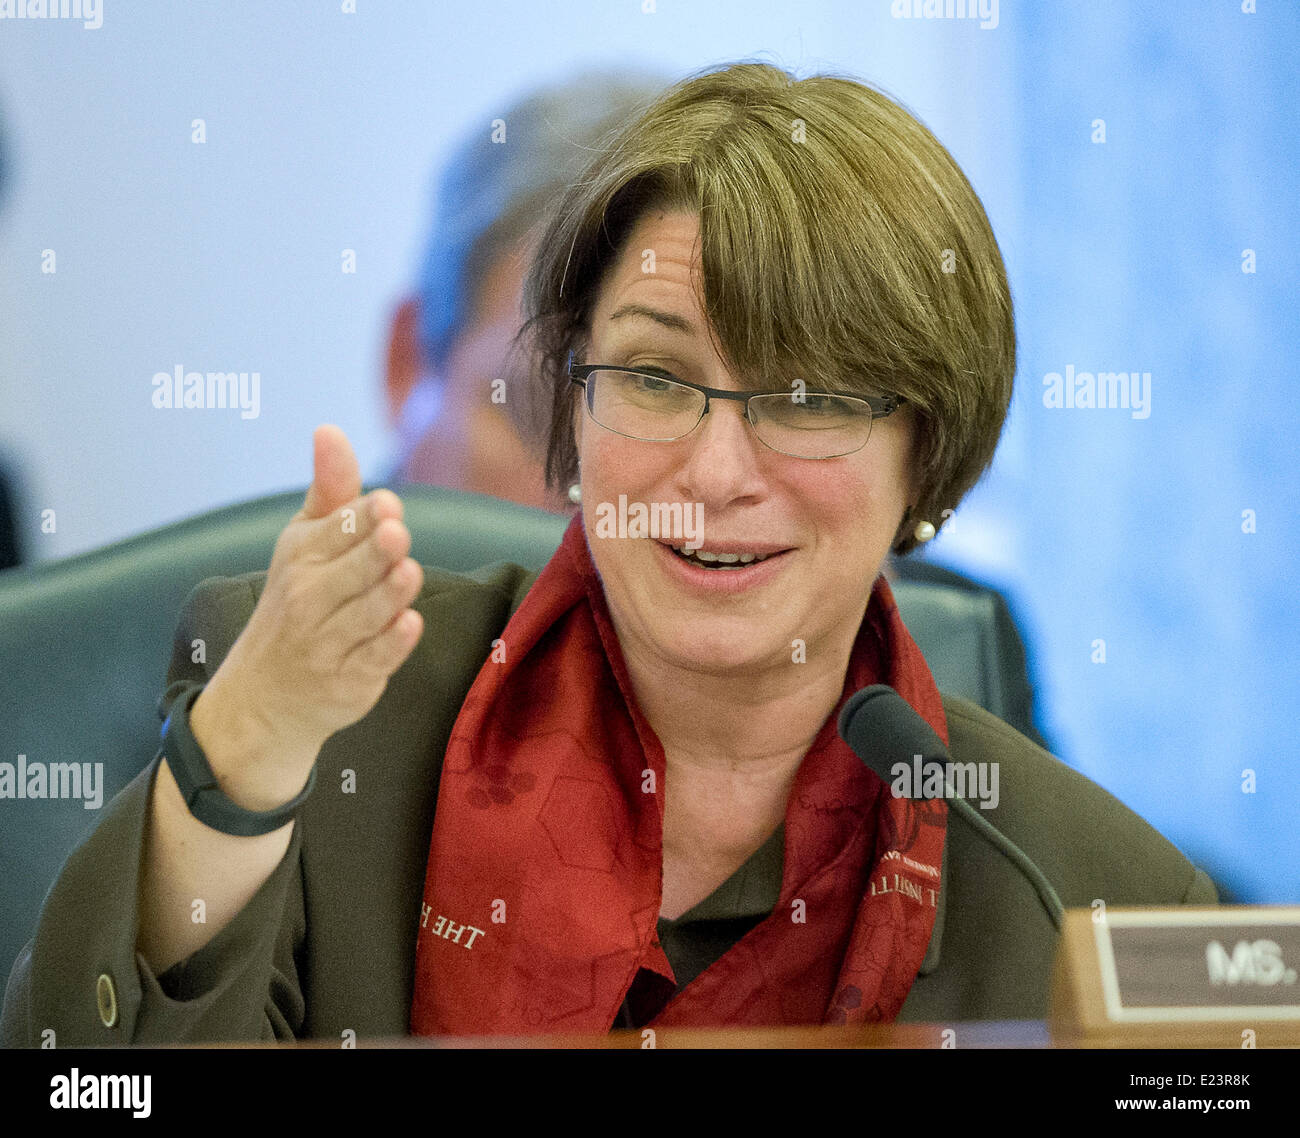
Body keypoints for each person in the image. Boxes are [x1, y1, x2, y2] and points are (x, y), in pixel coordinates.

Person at [1, 61, 1217, 1046]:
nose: (716, 469)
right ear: (569, 415)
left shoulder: (1097, 890)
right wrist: (239, 765)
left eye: (807, 398)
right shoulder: (329, 726)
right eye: (652, 375)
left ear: (926, 459)